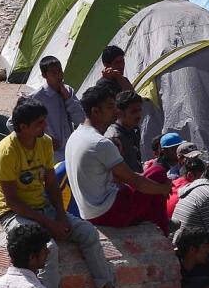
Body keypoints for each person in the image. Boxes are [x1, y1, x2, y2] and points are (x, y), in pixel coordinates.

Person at [0, 101, 125, 288]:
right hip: (14, 214)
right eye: (39, 123)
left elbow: (51, 184)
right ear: (23, 127)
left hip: (44, 206)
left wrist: (62, 216)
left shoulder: (44, 143)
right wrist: (49, 224)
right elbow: (12, 201)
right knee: (48, 248)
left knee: (88, 233)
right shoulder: (6, 152)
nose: (45, 126)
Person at [66, 84, 170, 231]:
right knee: (158, 172)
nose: (115, 111)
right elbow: (136, 182)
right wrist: (164, 188)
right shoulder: (99, 143)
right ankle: (163, 227)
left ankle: (156, 221)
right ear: (96, 111)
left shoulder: (75, 136)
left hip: (89, 211)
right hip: (108, 213)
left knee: (140, 185)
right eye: (110, 107)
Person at [19, 56, 84, 155]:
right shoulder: (36, 97)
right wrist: (41, 138)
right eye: (54, 73)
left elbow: (80, 120)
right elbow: (12, 123)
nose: (59, 75)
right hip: (52, 154)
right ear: (44, 75)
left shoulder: (68, 91)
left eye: (60, 71)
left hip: (71, 150)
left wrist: (68, 100)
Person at [104, 91, 145, 174]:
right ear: (119, 112)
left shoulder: (133, 130)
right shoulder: (114, 138)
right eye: (133, 111)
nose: (138, 115)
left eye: (139, 110)